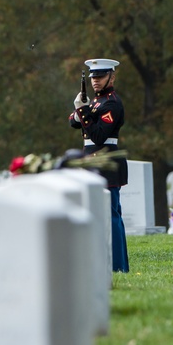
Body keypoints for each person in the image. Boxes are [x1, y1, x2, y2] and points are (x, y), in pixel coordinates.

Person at [69, 58, 129, 272]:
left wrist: (83, 112)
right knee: (102, 214)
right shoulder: (95, 102)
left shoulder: (112, 103)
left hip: (107, 162)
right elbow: (72, 122)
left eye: (100, 76)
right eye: (93, 77)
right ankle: (111, 264)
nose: (96, 80)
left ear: (112, 77)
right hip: (92, 162)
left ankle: (117, 266)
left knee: (111, 216)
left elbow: (98, 134)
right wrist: (82, 108)